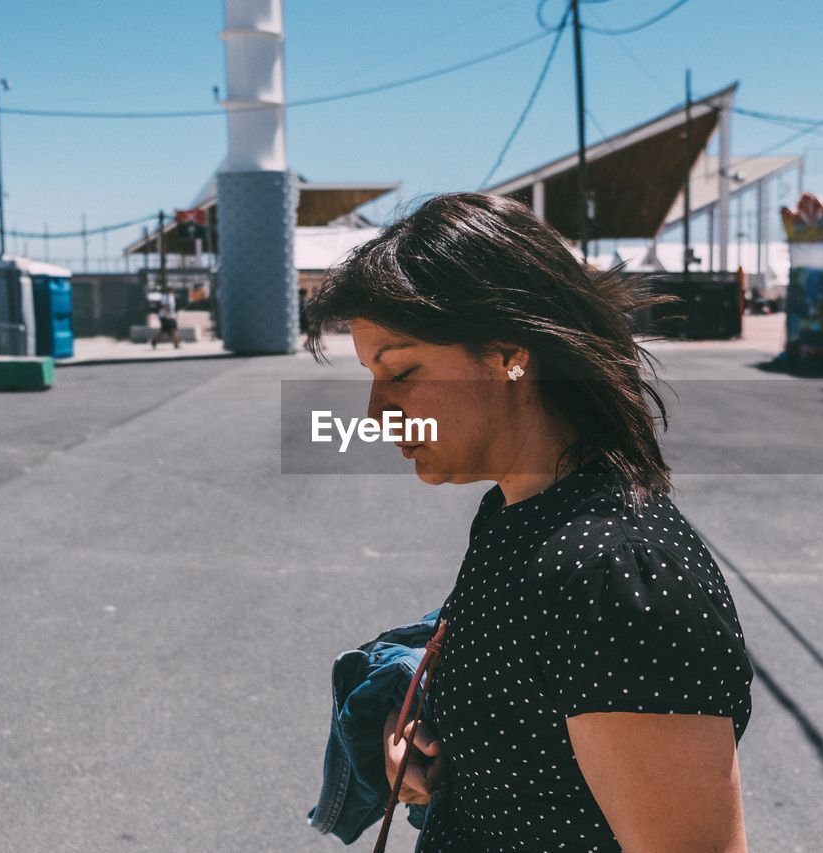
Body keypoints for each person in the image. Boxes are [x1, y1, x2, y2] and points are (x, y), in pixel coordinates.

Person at [303, 192, 754, 852]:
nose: (377, 413)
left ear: (512, 356)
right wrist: (436, 758)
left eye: (401, 370)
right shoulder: (517, 514)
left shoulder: (611, 575)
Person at [151, 285, 181, 349]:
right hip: (165, 316)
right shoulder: (165, 297)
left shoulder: (172, 296)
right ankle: (176, 344)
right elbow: (163, 307)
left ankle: (154, 341)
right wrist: (166, 315)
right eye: (171, 289)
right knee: (170, 330)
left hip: (172, 316)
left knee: (168, 330)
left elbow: (172, 307)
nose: (172, 290)